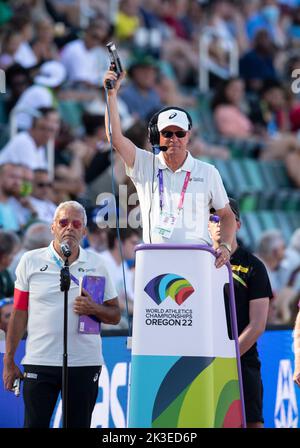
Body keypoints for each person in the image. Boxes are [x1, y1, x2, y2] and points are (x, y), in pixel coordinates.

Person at [2, 200, 121, 428]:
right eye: (63, 222)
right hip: (40, 361)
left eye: (76, 223)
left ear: (84, 231)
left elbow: (115, 314)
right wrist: (9, 360)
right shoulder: (30, 261)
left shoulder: (97, 263)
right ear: (53, 227)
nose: (70, 228)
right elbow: (18, 312)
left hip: (83, 363)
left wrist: (94, 309)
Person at [103, 69, 236, 268]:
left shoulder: (208, 172)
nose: (174, 138)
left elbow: (226, 214)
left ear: (188, 135)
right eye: (167, 133)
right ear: (158, 136)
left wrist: (225, 245)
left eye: (179, 133)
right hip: (156, 259)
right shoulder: (145, 163)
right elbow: (115, 138)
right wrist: (111, 95)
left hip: (196, 260)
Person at [208, 197, 272, 428]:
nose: (218, 223)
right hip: (203, 362)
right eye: (212, 218)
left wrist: (227, 357)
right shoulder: (196, 262)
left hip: (241, 362)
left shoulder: (253, 266)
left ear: (238, 224)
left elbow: (257, 325)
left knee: (251, 424)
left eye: (224, 218)